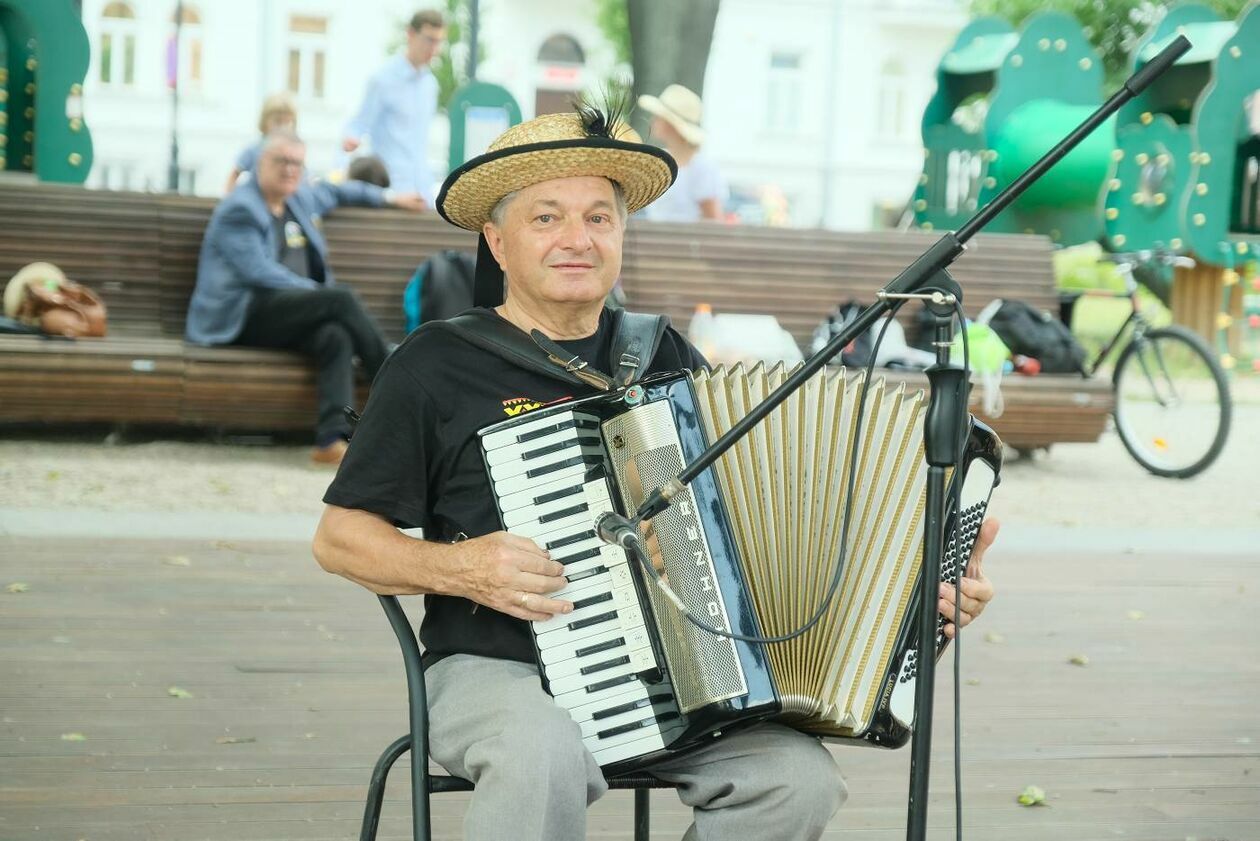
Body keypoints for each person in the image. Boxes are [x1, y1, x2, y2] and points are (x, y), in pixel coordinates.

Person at [312, 107, 999, 839]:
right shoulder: (435, 365)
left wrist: (914, 602)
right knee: (539, 750)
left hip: (677, 678)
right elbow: (339, 537)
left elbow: (751, 538)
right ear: (497, 241)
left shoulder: (663, 354)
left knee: (796, 783)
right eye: (547, 218)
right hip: (493, 668)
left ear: (621, 234)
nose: (577, 239)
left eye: (599, 218)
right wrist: (459, 567)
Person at [186, 130, 425, 465]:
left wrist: (389, 198)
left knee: (334, 335)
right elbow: (259, 272)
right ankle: (393, 379)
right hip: (240, 315)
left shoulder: (299, 198)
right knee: (339, 300)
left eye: (296, 162)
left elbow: (340, 190)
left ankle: (330, 440)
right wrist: (319, 295)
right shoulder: (239, 208)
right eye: (281, 161)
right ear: (259, 164)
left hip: (284, 314)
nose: (290, 169)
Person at [341, 9, 446, 206]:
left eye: (438, 41)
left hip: (422, 188)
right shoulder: (382, 80)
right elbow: (359, 124)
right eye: (429, 40)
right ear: (410, 34)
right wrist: (350, 139)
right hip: (392, 189)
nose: (434, 48)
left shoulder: (430, 85)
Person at [637, 84, 727, 222]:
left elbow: (713, 221)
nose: (653, 121)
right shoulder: (658, 159)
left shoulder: (701, 167)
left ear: (672, 124)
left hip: (689, 241)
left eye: (659, 117)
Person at [225, 92, 298, 193]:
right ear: (264, 122)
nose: (282, 128)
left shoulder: (294, 151)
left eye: (287, 123)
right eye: (278, 122)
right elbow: (234, 174)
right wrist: (229, 199)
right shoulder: (255, 149)